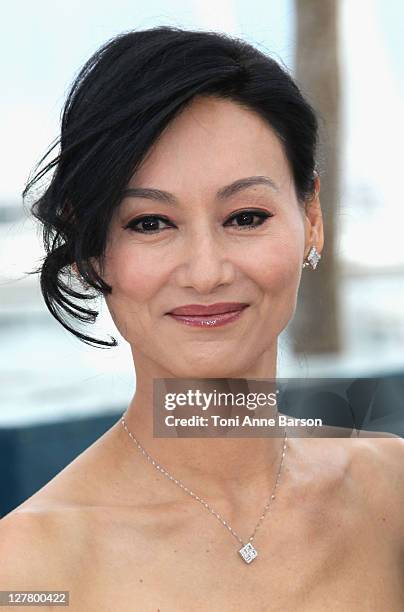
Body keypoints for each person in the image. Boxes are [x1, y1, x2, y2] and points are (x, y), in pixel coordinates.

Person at [1, 25, 403, 611]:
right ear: (90, 249)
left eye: (244, 217)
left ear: (311, 217)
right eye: (150, 223)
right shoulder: (28, 569)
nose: (205, 272)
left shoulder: (390, 491)